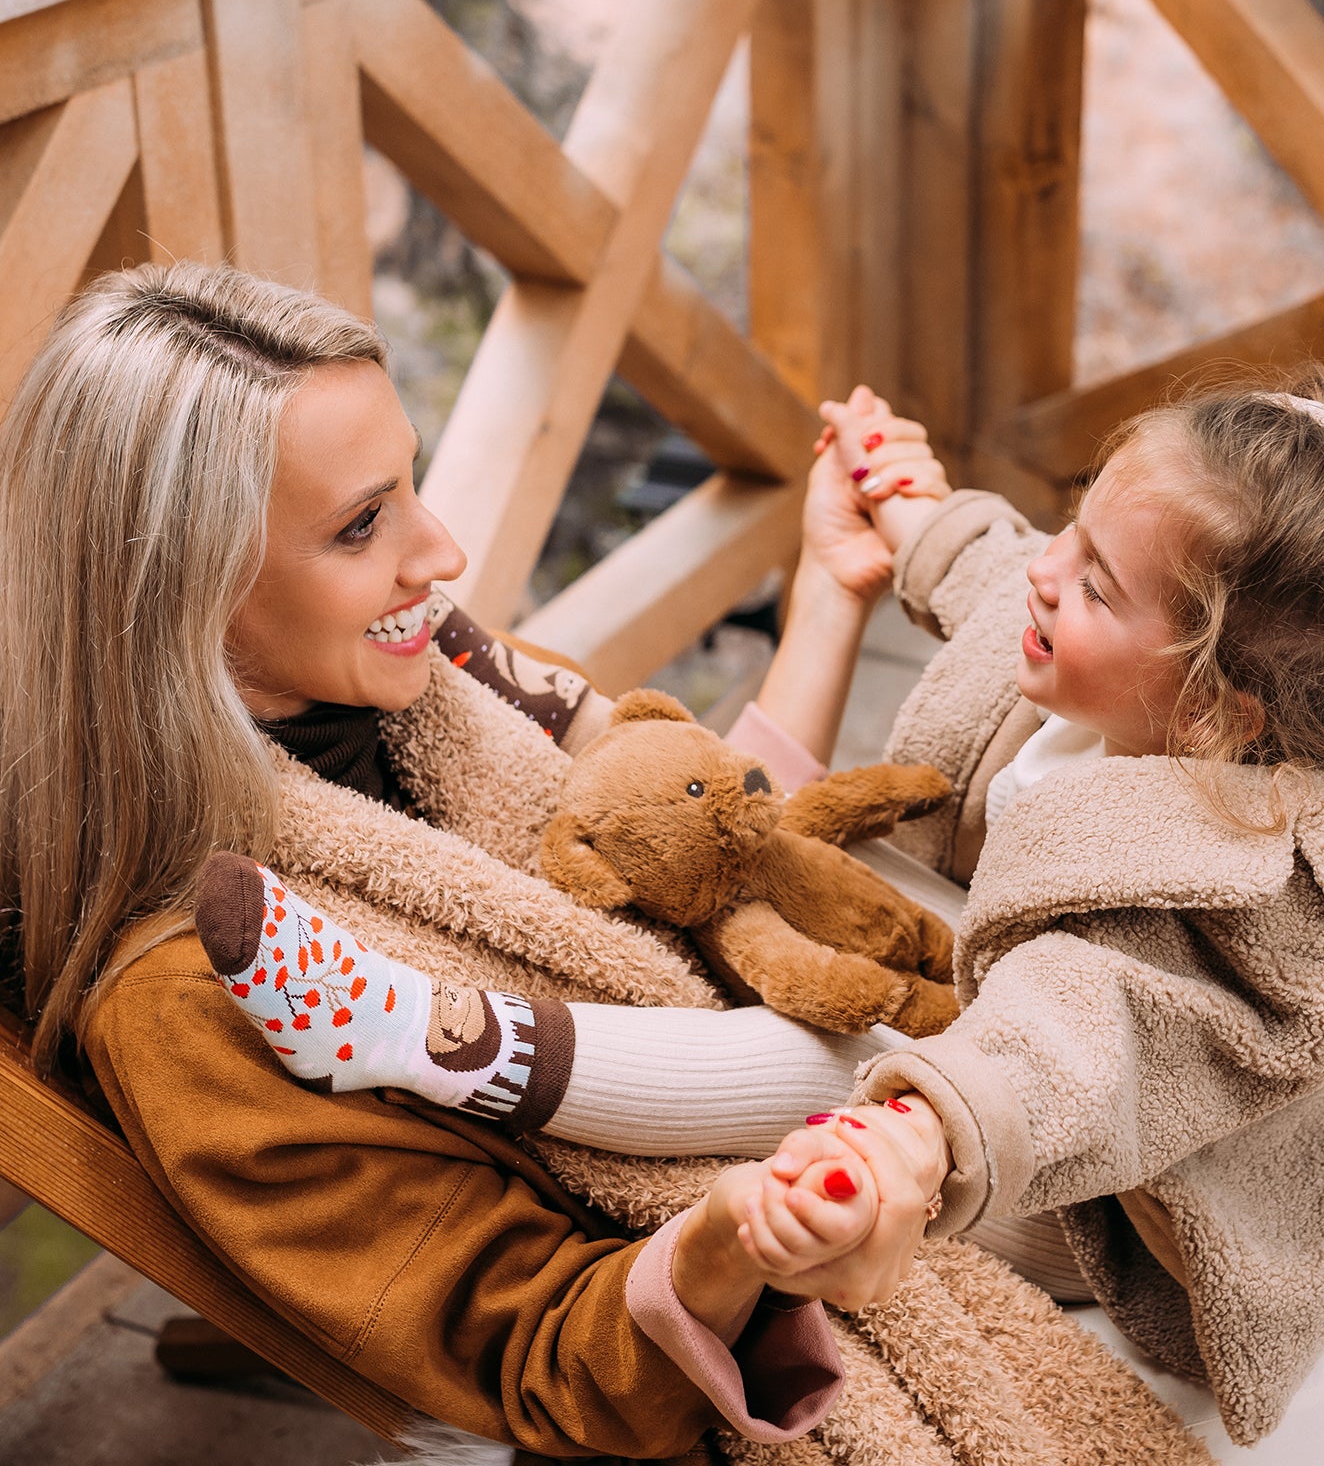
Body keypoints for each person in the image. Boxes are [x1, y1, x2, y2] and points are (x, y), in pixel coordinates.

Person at [0, 262, 947, 1461]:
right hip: (740, 1307)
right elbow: (547, 1354)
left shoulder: (442, 696)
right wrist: (732, 1243)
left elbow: (704, 859)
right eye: (361, 524)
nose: (440, 552)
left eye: (412, 485)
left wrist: (827, 596)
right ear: (184, 590)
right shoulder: (204, 991)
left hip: (868, 1145)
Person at [806, 373, 1324, 1448]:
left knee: (800, 1068)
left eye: (1097, 586)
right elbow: (994, 566)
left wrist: (913, 1135)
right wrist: (904, 492)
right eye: (1074, 519)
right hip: (1032, 1065)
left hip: (1140, 1193)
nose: (1048, 572)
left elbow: (1076, 1040)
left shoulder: (1216, 897)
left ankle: (512, 1058)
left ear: (1213, 705)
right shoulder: (1125, 681)